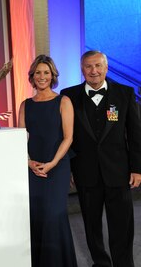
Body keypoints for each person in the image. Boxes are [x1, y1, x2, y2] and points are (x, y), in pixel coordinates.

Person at [61, 50, 141, 267]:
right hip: (85, 173)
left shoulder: (125, 93)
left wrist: (137, 168)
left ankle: (124, 263)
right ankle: (101, 263)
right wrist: (68, 168)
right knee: (91, 225)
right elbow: (64, 136)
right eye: (88, 66)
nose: (93, 70)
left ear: (106, 68)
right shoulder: (68, 95)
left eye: (98, 66)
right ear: (82, 69)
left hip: (119, 172)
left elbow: (135, 134)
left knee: (122, 225)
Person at [18, 55, 77, 267]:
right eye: (37, 73)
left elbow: (68, 137)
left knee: (54, 216)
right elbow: (21, 137)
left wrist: (51, 163)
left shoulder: (64, 101)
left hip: (57, 167)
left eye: (46, 72)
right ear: (32, 77)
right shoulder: (25, 105)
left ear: (53, 76)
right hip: (32, 168)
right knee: (36, 216)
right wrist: (28, 162)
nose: (42, 77)